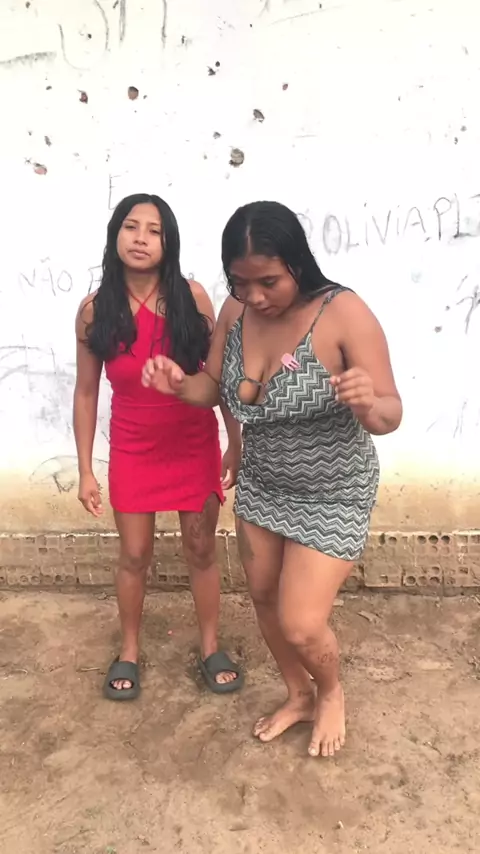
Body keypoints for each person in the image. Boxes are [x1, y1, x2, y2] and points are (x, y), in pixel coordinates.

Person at [141, 200, 402, 757]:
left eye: (268, 281)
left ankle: (329, 691)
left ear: (297, 264)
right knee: (262, 596)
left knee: (301, 622)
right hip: (263, 484)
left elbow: (390, 414)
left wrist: (367, 403)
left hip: (333, 490)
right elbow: (212, 386)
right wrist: (178, 383)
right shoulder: (236, 313)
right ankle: (298, 694)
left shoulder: (343, 313)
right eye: (240, 282)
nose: (254, 296)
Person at [73, 193, 244, 701]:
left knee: (200, 548)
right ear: (115, 236)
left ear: (169, 242)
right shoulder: (93, 311)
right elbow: (86, 393)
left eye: (154, 230)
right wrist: (85, 469)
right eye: (131, 227)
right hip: (133, 447)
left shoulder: (193, 298)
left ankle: (210, 646)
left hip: (192, 441)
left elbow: (217, 378)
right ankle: (128, 650)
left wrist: (234, 441)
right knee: (134, 554)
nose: (141, 238)